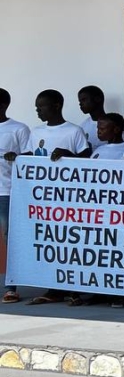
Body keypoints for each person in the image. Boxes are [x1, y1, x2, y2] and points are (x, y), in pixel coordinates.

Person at [13, 90, 90, 306]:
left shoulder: (74, 131)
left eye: (42, 106)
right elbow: (30, 157)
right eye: (37, 106)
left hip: (68, 198)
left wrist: (68, 155)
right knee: (50, 242)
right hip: (44, 199)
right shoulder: (36, 132)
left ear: (56, 106)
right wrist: (17, 159)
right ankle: (54, 287)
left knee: (70, 242)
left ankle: (73, 288)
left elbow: (86, 158)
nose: (38, 110)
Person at [0, 88, 31, 304]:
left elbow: (28, 160)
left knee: (10, 238)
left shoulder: (18, 129)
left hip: (7, 191)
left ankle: (11, 287)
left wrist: (16, 158)